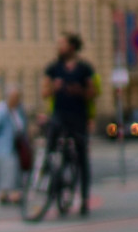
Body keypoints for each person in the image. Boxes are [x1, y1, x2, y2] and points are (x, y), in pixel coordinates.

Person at [41, 33, 97, 216]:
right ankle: (48, 179)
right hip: (59, 115)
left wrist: (79, 91)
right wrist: (53, 88)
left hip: (78, 117)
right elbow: (44, 91)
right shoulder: (54, 68)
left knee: (81, 157)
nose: (58, 47)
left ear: (72, 46)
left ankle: (85, 199)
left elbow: (92, 92)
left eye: (62, 43)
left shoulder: (84, 68)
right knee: (49, 147)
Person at [0, 86, 27, 205]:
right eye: (14, 97)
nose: (17, 100)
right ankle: (11, 194)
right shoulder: (1, 110)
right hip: (3, 147)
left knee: (10, 170)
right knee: (8, 169)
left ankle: (6, 194)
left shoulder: (18, 109)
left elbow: (23, 126)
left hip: (14, 146)